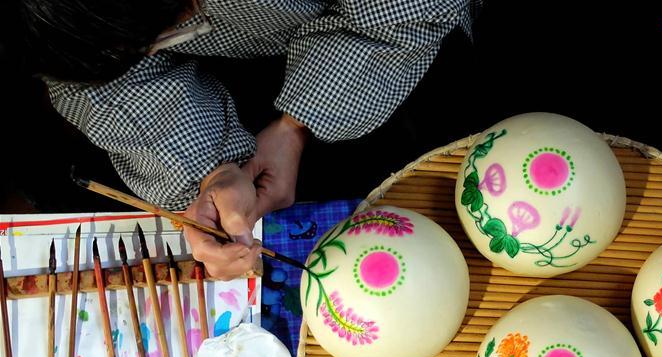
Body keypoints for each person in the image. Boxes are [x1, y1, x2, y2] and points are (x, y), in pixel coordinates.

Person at [2, 0, 476, 278]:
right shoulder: (63, 30)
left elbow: (406, 9)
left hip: (384, 46)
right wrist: (212, 171)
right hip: (226, 70)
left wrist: (302, 117)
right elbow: (95, 79)